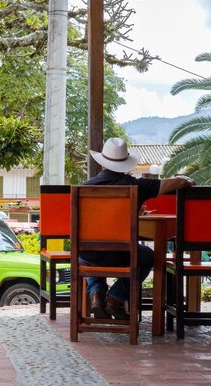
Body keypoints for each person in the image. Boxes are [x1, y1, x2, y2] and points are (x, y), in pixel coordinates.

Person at [83, 137, 195, 320]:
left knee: (87, 256)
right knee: (148, 256)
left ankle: (96, 295)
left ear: (102, 164)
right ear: (126, 164)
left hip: (89, 253)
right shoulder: (137, 185)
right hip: (121, 254)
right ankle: (115, 298)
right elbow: (174, 183)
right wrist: (185, 179)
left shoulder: (85, 188)